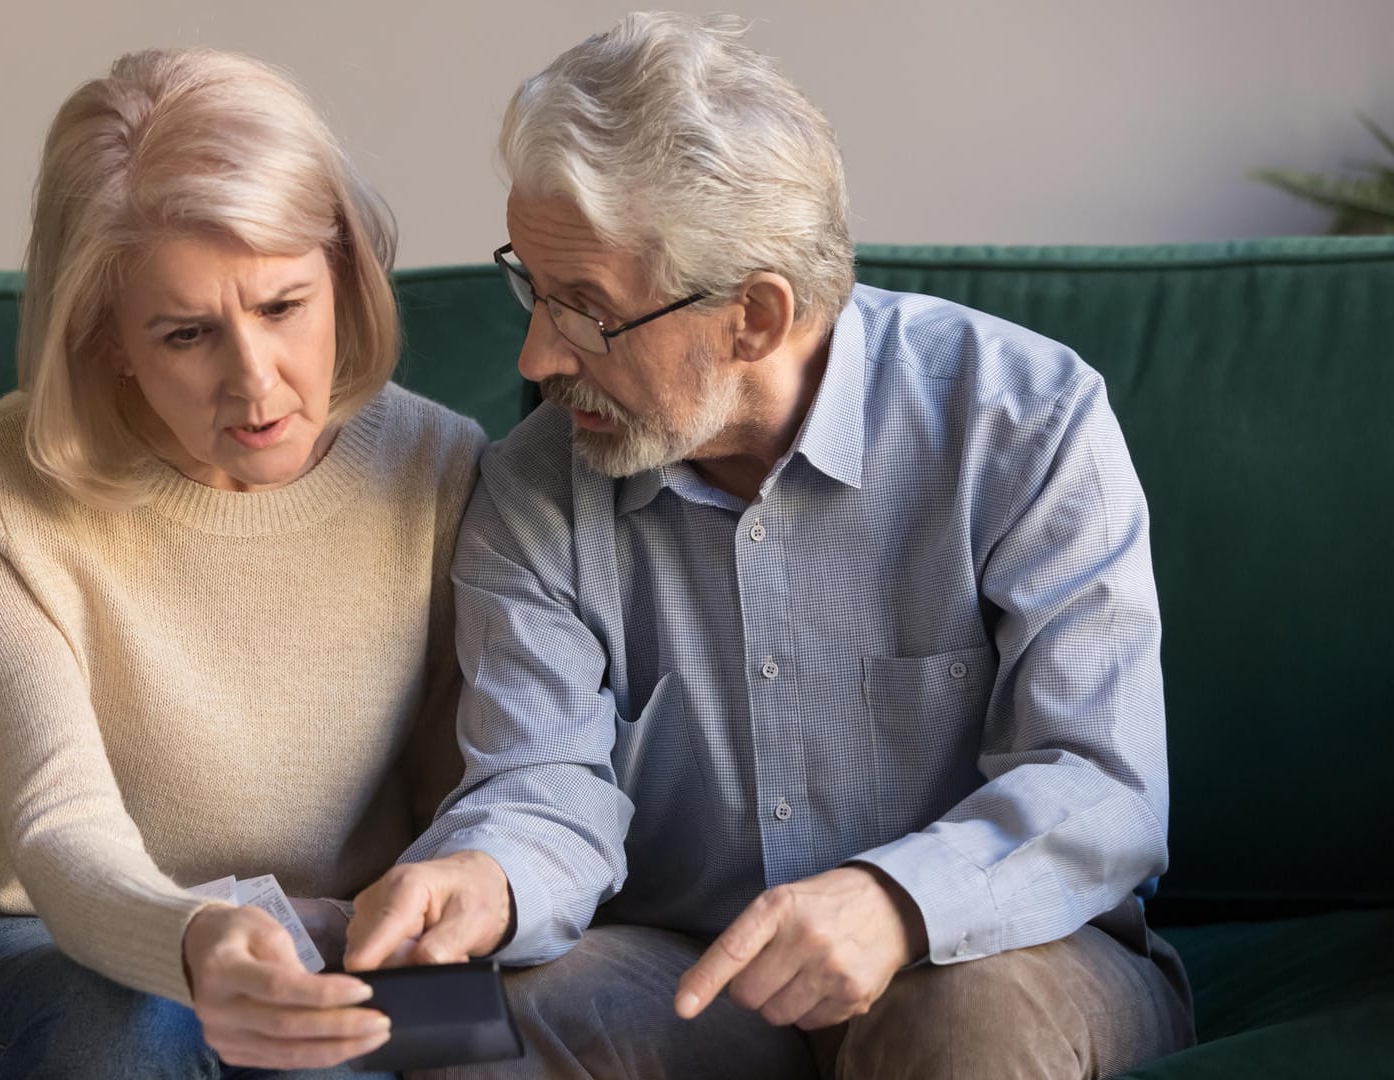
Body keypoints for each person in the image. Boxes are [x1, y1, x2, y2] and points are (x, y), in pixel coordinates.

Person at [343, 12, 1195, 1078]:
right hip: (694, 976)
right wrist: (489, 878)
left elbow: (1100, 785)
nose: (535, 354)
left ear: (753, 315)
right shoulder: (531, 490)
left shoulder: (1025, 422)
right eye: (532, 286)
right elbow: (541, 786)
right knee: (441, 1023)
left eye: (585, 310)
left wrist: (897, 902)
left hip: (998, 953)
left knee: (961, 1024)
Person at [0, 47, 486, 1079]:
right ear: (106, 335)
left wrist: (360, 942)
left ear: (342, 269)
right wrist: (199, 944)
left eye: (285, 306)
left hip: (331, 944)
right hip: (35, 947)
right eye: (187, 333)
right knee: (147, 1035)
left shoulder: (440, 465)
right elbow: (60, 832)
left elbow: (459, 798)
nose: (255, 385)